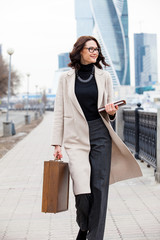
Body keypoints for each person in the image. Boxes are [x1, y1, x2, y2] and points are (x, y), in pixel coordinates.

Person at [52, 36, 142, 240]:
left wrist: (111, 112)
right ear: (79, 51)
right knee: (82, 189)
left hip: (100, 134)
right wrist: (56, 143)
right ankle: (84, 226)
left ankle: (95, 236)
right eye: (90, 48)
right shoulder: (65, 78)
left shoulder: (104, 77)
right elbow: (59, 111)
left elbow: (109, 109)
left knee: (99, 187)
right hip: (75, 138)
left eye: (97, 49)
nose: (95, 52)